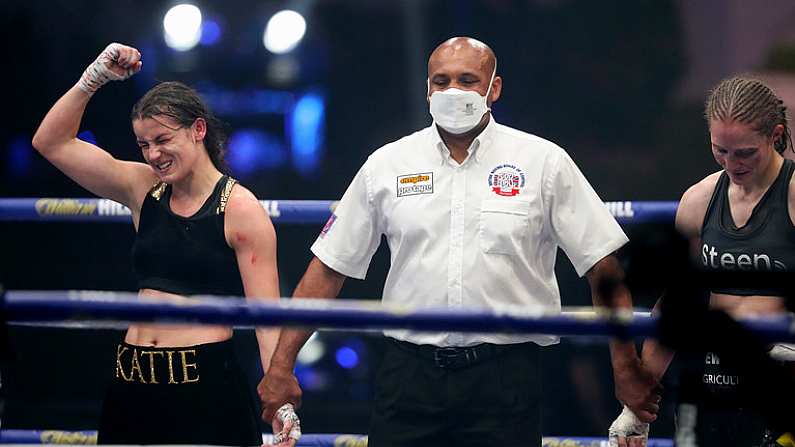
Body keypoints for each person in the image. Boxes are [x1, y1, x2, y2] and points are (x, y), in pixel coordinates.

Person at [258, 36, 661, 447]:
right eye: (442, 80)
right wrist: (281, 365)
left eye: (468, 80)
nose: (453, 91)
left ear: (494, 88)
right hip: (408, 374)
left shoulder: (543, 162)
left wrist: (625, 367)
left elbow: (602, 264)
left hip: (505, 375)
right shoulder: (388, 163)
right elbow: (329, 266)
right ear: (427, 88)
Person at [31, 43, 298, 446]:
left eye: (162, 139)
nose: (153, 154)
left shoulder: (241, 210)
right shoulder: (143, 189)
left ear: (198, 130)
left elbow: (267, 320)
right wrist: (94, 77)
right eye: (143, 144)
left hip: (203, 384)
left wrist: (281, 404)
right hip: (130, 378)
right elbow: (50, 142)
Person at [609, 76, 795, 447]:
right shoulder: (698, 200)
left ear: (774, 135)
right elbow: (677, 305)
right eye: (721, 150)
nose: (732, 163)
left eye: (744, 152)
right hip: (710, 387)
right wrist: (636, 410)